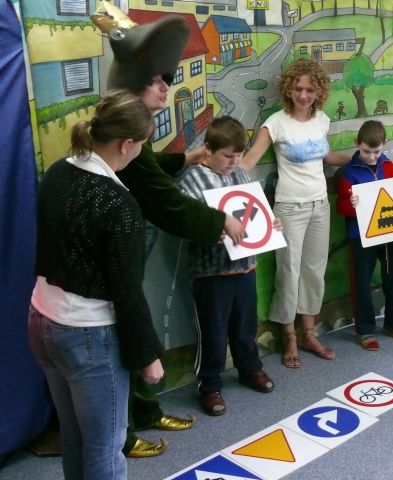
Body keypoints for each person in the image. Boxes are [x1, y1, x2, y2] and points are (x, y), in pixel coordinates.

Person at [91, 6, 246, 457]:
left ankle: (143, 410)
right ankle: (121, 433)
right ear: (134, 85)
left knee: (134, 329)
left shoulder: (133, 135)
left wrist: (184, 158)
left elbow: (147, 166)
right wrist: (221, 221)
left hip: (130, 244)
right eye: (157, 81)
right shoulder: (125, 134)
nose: (166, 88)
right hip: (109, 261)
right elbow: (167, 203)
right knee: (123, 335)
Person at [28, 90, 164, 479]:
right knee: (105, 447)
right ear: (126, 144)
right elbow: (127, 290)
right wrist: (148, 356)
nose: (141, 151)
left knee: (74, 435)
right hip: (87, 335)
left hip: (41, 318)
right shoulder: (119, 204)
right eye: (142, 144)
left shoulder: (59, 171)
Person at [241, 58, 349, 368]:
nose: (303, 95)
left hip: (320, 206)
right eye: (298, 88)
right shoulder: (275, 123)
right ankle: (289, 337)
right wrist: (213, 170)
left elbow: (327, 155)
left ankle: (309, 333)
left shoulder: (322, 120)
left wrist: (362, 159)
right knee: (288, 272)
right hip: (289, 209)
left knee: (314, 271)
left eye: (310, 90)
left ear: (319, 91)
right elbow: (248, 163)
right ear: (289, 88)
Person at [178, 117, 276, 416]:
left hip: (245, 268)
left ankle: (250, 368)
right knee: (214, 333)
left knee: (246, 326)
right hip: (211, 273)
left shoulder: (241, 174)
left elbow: (254, 213)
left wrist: (271, 224)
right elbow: (186, 224)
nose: (234, 162)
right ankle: (209, 385)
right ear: (208, 149)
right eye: (227, 156)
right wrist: (212, 230)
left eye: (238, 155)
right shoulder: (191, 180)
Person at [335, 120, 393, 350]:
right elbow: (341, 207)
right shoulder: (348, 173)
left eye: (376, 152)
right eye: (366, 151)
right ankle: (365, 329)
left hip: (391, 233)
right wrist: (351, 204)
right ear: (357, 144)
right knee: (361, 283)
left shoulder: (389, 167)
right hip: (360, 236)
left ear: (385, 145)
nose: (371, 157)